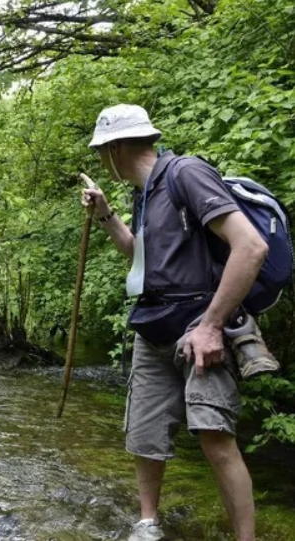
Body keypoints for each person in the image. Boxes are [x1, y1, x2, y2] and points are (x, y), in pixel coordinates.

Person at [82, 104, 267, 541]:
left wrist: (211, 325)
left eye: (100, 151)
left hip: (200, 325)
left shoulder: (186, 174)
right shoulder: (143, 192)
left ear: (116, 147)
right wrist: (108, 213)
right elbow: (140, 256)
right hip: (152, 326)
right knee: (144, 434)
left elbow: (251, 246)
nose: (100, 161)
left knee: (213, 434)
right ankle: (148, 524)